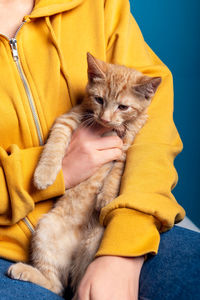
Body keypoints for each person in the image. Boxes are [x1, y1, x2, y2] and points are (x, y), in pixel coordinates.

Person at [0, 0, 199, 299]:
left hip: (107, 221)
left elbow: (152, 120)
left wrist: (124, 245)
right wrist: (59, 170)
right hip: (9, 245)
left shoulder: (98, 3)